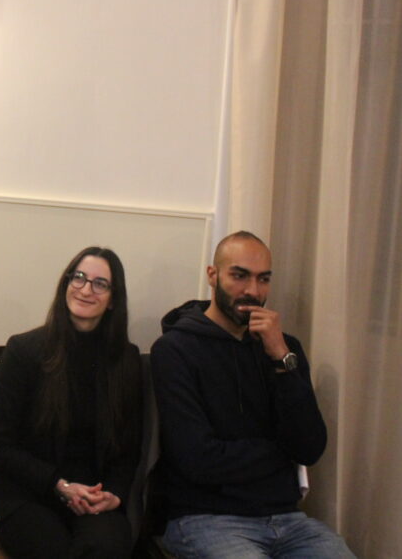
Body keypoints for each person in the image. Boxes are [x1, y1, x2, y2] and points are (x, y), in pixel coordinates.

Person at [150, 231, 354, 558]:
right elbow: (197, 459)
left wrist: (281, 358)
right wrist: (281, 454)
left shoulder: (284, 348)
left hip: (287, 519)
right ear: (213, 275)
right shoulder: (175, 349)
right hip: (204, 518)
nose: (253, 291)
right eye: (239, 276)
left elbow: (310, 447)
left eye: (263, 279)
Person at [0, 246, 143, 558]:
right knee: (55, 551)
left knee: (108, 547)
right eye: (78, 277)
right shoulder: (24, 351)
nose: (85, 289)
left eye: (100, 284)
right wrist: (60, 485)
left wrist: (114, 495)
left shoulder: (126, 360)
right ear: (66, 284)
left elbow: (129, 447)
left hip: (93, 494)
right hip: (29, 495)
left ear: (113, 299)